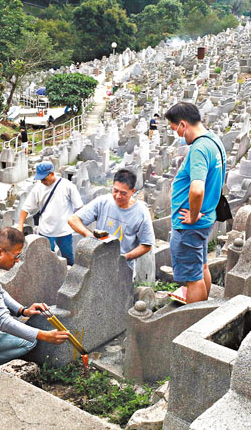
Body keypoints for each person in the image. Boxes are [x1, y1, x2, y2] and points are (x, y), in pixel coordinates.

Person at [0, 227, 70, 366]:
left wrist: (22, 310)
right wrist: (46, 335)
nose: (18, 261)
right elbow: (4, 321)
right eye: (16, 256)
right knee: (30, 341)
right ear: (0, 252)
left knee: (18, 327)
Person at [164, 102, 225, 304]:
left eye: (176, 130)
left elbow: (197, 188)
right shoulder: (214, 141)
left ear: (183, 124)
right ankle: (203, 309)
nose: (179, 136)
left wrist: (192, 213)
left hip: (189, 225)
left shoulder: (199, 149)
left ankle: (193, 322)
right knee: (202, 267)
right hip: (206, 219)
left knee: (193, 279)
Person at [68, 169, 154, 272]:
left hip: (123, 269)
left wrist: (123, 258)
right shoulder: (103, 202)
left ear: (133, 191)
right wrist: (89, 235)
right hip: (98, 262)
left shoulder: (141, 212)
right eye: (115, 191)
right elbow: (73, 219)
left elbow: (147, 244)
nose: (118, 196)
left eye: (123, 193)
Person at [18, 161, 83, 265]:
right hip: (45, 231)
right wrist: (20, 226)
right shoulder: (38, 188)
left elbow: (80, 207)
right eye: (40, 179)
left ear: (52, 174)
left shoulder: (67, 186)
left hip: (64, 231)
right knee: (46, 261)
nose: (42, 181)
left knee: (68, 258)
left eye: (44, 178)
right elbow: (25, 208)